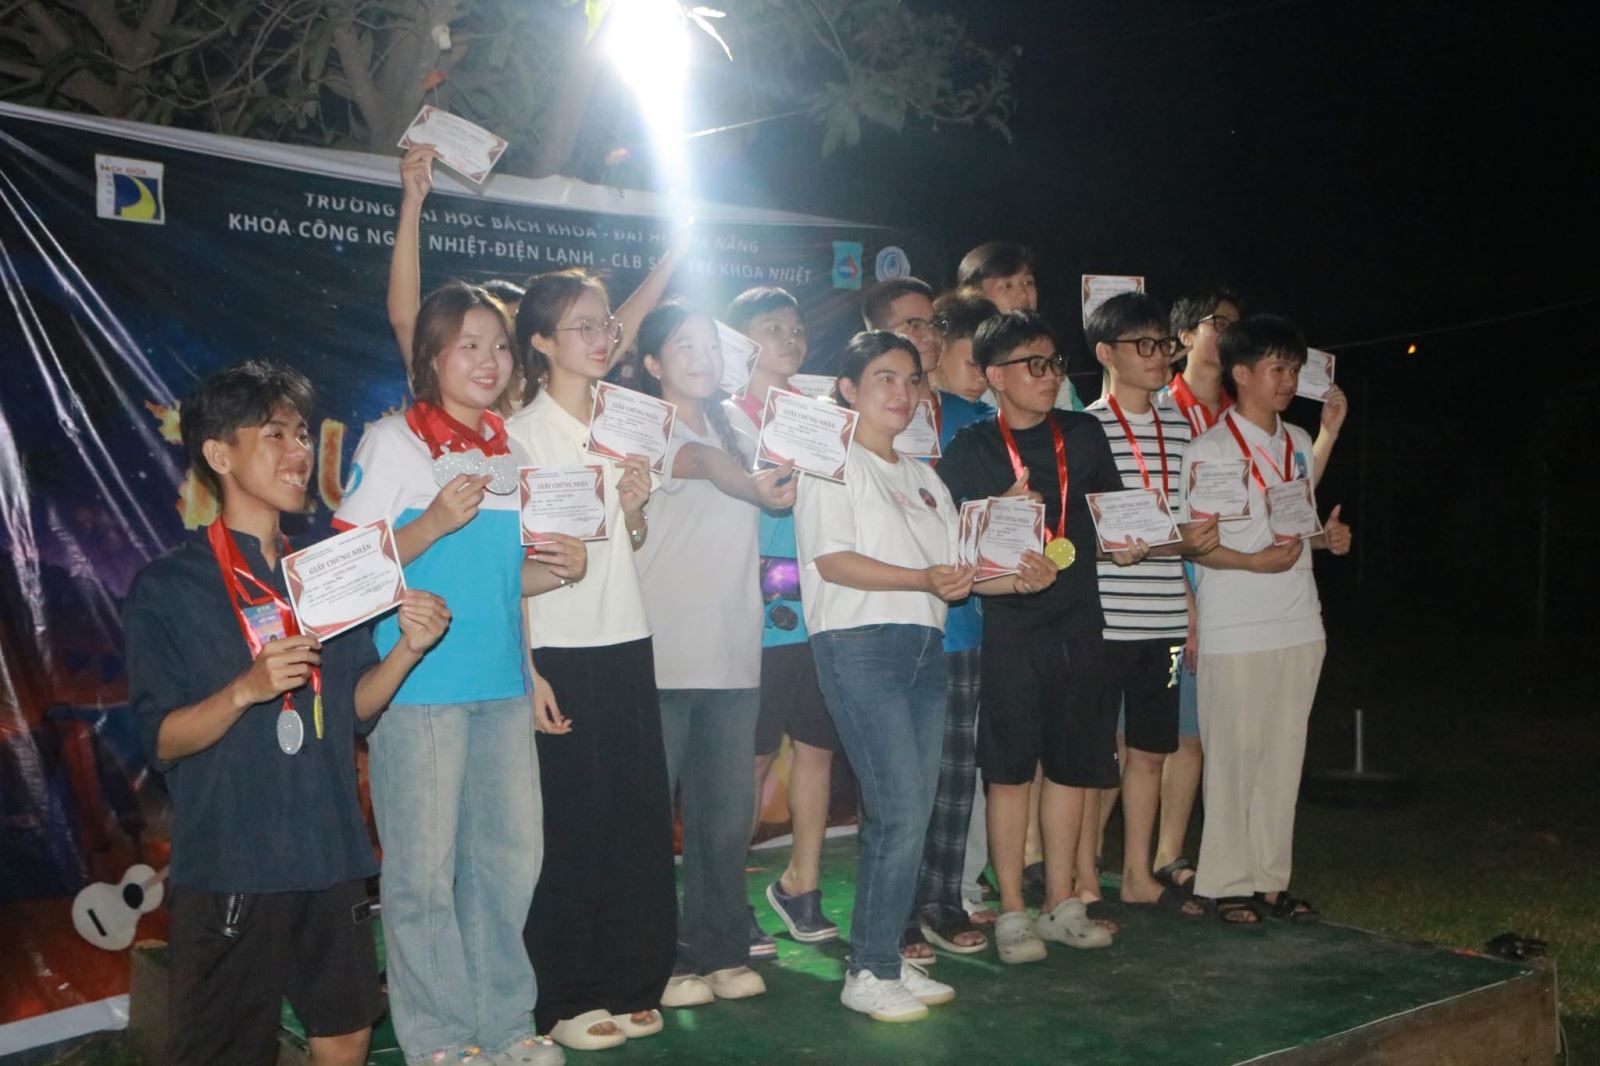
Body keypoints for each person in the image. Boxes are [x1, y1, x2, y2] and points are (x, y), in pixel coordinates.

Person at [124, 360, 452, 1066]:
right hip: (233, 861)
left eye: (303, 434)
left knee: (346, 1034)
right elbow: (161, 740)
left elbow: (354, 707)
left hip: (329, 849)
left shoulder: (327, 571)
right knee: (223, 1051)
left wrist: (408, 651)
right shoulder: (168, 588)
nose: (300, 451)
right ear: (219, 454)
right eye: (274, 434)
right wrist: (245, 689)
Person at [336, 283, 586, 1066]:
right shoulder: (394, 441)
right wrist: (433, 523)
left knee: (509, 867)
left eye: (499, 345)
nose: (489, 360)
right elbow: (344, 570)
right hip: (420, 692)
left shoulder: (510, 452)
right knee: (423, 878)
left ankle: (507, 1027)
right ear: (432, 356)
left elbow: (506, 582)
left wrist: (564, 569)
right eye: (469, 345)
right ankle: (440, 1040)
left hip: (502, 689)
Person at [798, 332, 1010, 1022]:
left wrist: (1018, 575)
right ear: (848, 390)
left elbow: (957, 573)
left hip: (925, 646)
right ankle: (869, 969)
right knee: (898, 811)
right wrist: (923, 579)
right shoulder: (832, 462)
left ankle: (883, 953)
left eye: (911, 379)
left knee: (911, 810)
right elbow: (833, 562)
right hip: (859, 645)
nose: (902, 392)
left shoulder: (923, 475)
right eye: (884, 378)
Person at [508, 269, 677, 1051]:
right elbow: (505, 564)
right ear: (541, 342)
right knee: (570, 828)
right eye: (582, 325)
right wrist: (529, 666)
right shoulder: (519, 435)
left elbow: (626, 545)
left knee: (636, 819)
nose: (603, 337)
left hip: (626, 637)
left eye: (607, 323)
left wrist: (635, 510)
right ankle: (566, 996)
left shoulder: (628, 421)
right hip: (558, 646)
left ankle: (633, 978)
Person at [936, 310, 1130, 965]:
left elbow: (1110, 517)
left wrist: (1127, 544)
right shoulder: (971, 449)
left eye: (1054, 364)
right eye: (1034, 365)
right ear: (995, 376)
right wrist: (1001, 509)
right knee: (1010, 772)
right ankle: (1014, 912)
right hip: (1011, 632)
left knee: (1073, 769)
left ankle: (1063, 903)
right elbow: (955, 546)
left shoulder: (1083, 432)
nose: (1050, 377)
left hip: (1080, 623)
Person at [629, 300, 798, 1009]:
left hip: (734, 654)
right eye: (683, 346)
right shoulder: (643, 428)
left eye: (709, 345)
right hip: (660, 655)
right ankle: (656, 962)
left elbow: (765, 473)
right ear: (651, 363)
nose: (701, 358)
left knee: (726, 822)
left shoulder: (740, 425)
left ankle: (719, 949)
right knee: (648, 824)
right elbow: (700, 463)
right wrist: (753, 484)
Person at [1153, 289, 1349, 896]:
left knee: (1283, 759)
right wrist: (1254, 564)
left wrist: (1326, 539)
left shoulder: (1296, 441)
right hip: (1236, 626)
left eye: (1293, 369)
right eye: (1277, 369)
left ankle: (1270, 880)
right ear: (1242, 373)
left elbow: (1293, 520)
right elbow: (1196, 545)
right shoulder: (1208, 449)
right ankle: (1225, 884)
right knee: (1234, 760)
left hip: (1299, 620)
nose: (1288, 381)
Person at [1081, 292, 1218, 919]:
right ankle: (1083, 877)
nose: (1159, 355)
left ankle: (1137, 874)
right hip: (1103, 618)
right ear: (1105, 353)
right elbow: (1072, 530)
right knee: (1093, 754)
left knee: (1150, 751)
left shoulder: (1181, 428)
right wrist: (1115, 549)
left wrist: (1190, 604)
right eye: (1144, 344)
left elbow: (1185, 523)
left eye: (1163, 343)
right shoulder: (1083, 428)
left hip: (1163, 616)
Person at [724, 287, 846, 955]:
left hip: (819, 606)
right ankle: (727, 897)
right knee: (753, 757)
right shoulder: (721, 416)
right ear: (740, 341)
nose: (791, 337)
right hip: (752, 611)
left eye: (797, 327)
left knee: (817, 750)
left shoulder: (821, 415)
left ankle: (802, 883)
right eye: (773, 327)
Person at [388, 145, 677, 406]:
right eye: (478, 340)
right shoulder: (450, 385)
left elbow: (619, 330)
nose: (514, 335)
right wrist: (412, 203)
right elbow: (405, 320)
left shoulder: (546, 395)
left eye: (506, 337)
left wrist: (676, 254)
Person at [905, 291, 1000, 960]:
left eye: (931, 325)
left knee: (956, 772)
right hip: (894, 616)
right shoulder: (874, 415)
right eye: (910, 325)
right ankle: (898, 910)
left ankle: (942, 900)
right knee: (902, 776)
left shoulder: (976, 420)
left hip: (962, 621)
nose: (925, 336)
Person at [957, 241, 1084, 412]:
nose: (1024, 295)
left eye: (1028, 283)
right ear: (972, 295)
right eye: (1007, 285)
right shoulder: (965, 366)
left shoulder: (1051, 368)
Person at [862, 277, 941, 403]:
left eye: (934, 324)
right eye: (915, 326)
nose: (930, 336)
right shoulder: (856, 412)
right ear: (879, 334)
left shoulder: (965, 410)